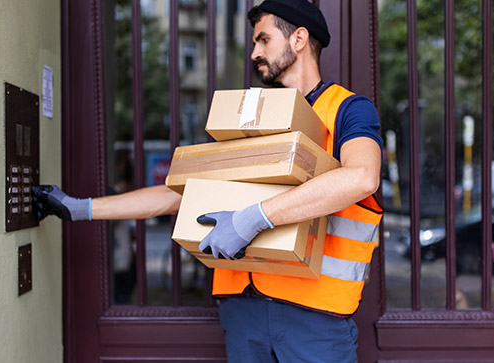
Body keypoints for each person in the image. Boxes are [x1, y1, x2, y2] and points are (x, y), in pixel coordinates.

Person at [33, 1, 383, 361]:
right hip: (243, 311)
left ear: (298, 39)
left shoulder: (348, 110)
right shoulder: (254, 122)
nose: (254, 53)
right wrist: (82, 209)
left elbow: (361, 177)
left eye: (263, 40)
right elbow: (184, 195)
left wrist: (251, 219)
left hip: (316, 317)